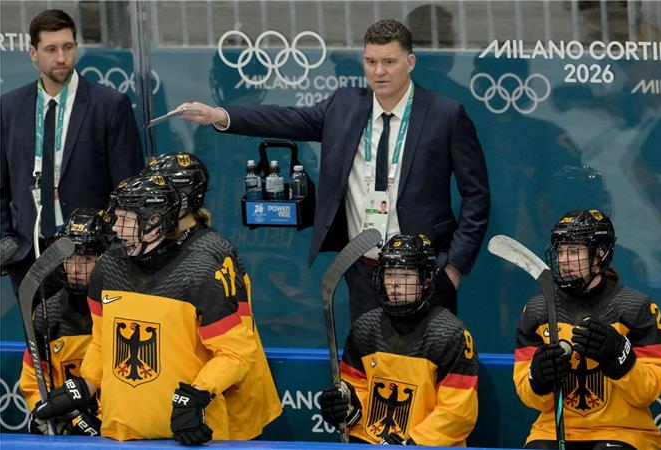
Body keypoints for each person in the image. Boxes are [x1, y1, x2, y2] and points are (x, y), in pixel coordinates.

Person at [175, 19, 490, 321]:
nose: (379, 71)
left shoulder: (445, 115)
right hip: (363, 270)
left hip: (424, 271)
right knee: (367, 354)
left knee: (429, 354)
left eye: (389, 62)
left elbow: (477, 196)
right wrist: (219, 115)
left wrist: (453, 267)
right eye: (370, 62)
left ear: (410, 63)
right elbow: (285, 119)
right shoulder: (344, 106)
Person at [32, 174, 262, 444]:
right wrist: (87, 383)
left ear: (155, 223)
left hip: (187, 434)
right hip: (119, 432)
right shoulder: (107, 268)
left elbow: (236, 352)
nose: (115, 227)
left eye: (125, 219)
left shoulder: (201, 272)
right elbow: (103, 342)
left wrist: (198, 392)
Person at [0, 9, 143, 297]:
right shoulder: (9, 108)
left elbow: (128, 189)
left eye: (68, 47)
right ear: (33, 52)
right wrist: (6, 241)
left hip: (93, 258)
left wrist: (114, 251)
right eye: (51, 49)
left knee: (92, 328)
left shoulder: (109, 105)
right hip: (30, 257)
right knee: (39, 327)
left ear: (77, 47)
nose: (61, 57)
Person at [142, 151, 282, 439]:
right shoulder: (160, 245)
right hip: (187, 396)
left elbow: (236, 348)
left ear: (184, 199)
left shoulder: (211, 252)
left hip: (226, 400)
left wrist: (199, 392)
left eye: (159, 191)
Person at [514, 209, 661, 450]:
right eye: (560, 251)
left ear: (600, 254)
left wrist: (619, 357)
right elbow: (531, 399)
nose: (564, 260)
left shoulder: (636, 306)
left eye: (573, 251)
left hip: (625, 432)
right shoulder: (537, 309)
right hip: (554, 430)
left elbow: (647, 393)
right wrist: (538, 379)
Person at [318, 234, 479, 446]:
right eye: (389, 274)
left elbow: (457, 413)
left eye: (405, 275)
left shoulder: (450, 333)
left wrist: (410, 444)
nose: (394, 284)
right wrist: (347, 407)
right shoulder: (365, 327)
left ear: (425, 280)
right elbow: (357, 389)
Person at [20, 207, 108, 436]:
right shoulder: (46, 314)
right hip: (66, 427)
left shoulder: (120, 309)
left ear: (104, 259)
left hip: (113, 428)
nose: (76, 269)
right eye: (70, 259)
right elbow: (33, 379)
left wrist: (100, 420)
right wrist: (45, 411)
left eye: (86, 259)